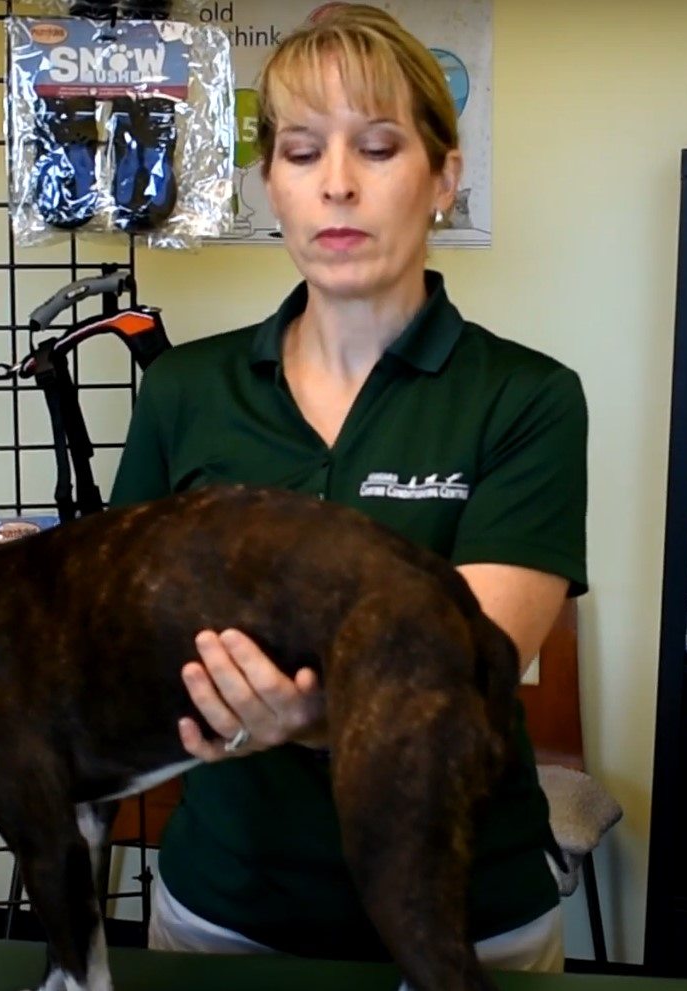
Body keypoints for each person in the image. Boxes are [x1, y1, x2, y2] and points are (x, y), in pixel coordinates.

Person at [107, 3, 588, 975]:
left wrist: (305, 718)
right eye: (299, 150)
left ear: (443, 177)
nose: (336, 183)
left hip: (469, 916)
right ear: (269, 184)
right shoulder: (183, 392)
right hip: (226, 913)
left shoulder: (528, 399)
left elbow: (463, 676)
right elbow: (126, 637)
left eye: (377, 147)